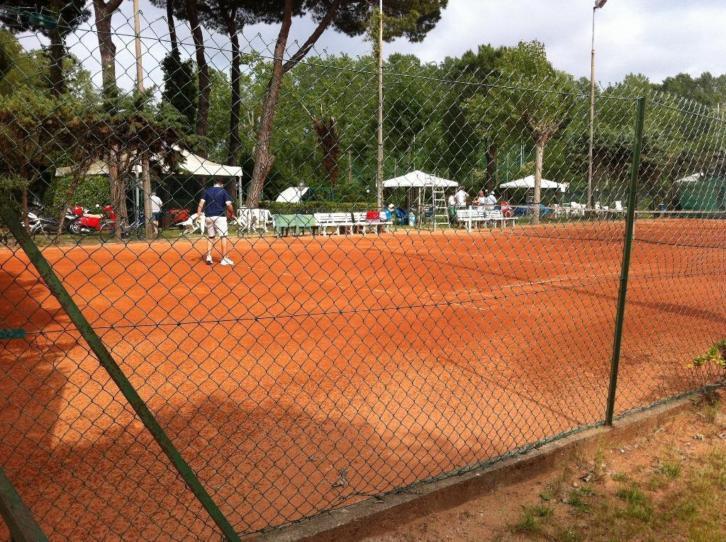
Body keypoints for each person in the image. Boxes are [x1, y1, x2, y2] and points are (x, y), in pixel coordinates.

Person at [197, 180, 234, 266]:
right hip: (219, 216)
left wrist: (198, 213)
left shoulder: (207, 191)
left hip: (208, 216)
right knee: (223, 236)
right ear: (221, 185)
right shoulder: (223, 191)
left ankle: (209, 257)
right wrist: (232, 213)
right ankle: (224, 258)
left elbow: (201, 203)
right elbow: (229, 205)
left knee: (211, 237)